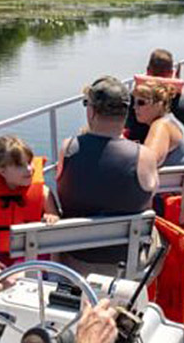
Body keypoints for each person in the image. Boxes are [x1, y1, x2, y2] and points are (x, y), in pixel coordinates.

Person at [56, 76, 158, 274]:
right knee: (162, 238)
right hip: (126, 260)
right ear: (126, 112)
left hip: (75, 260)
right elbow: (148, 201)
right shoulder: (145, 156)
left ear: (92, 111)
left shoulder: (67, 148)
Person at [0, 135, 60, 269]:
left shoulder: (44, 193)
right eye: (19, 165)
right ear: (2, 170)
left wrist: (52, 218)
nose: (29, 169)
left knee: (15, 278)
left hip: (37, 257)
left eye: (29, 162)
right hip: (0, 258)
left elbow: (56, 230)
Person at [133, 80, 184, 168]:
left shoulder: (161, 125)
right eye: (134, 102)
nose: (135, 107)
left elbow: (148, 162)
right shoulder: (171, 122)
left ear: (158, 104)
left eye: (141, 103)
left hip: (172, 181)